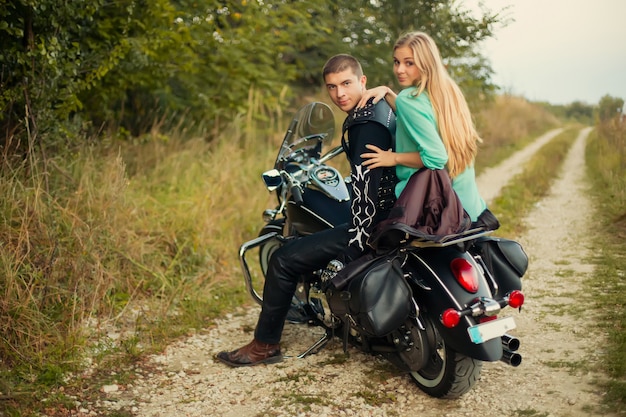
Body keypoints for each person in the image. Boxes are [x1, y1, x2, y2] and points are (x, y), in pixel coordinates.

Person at [216, 54, 398, 367]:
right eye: (332, 87)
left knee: (284, 259)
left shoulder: (363, 123)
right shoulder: (384, 108)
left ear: (362, 81)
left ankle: (264, 345)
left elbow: (366, 199)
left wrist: (357, 243)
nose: (340, 93)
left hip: (376, 225)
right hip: (397, 213)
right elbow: (373, 176)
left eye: (346, 83)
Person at [357, 31, 498, 229]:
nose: (399, 70)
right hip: (471, 210)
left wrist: (393, 158)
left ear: (425, 64)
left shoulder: (409, 99)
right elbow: (419, 118)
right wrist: (388, 92)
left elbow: (436, 157)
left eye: (409, 63)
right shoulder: (447, 93)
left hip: (439, 213)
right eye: (396, 62)